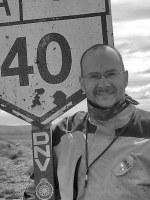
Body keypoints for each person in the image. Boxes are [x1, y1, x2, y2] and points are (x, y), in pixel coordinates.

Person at [24, 44, 150, 200]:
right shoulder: (64, 132)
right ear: (82, 84)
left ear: (125, 78)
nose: (104, 84)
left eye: (111, 74)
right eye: (94, 76)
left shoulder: (146, 128)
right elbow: (37, 189)